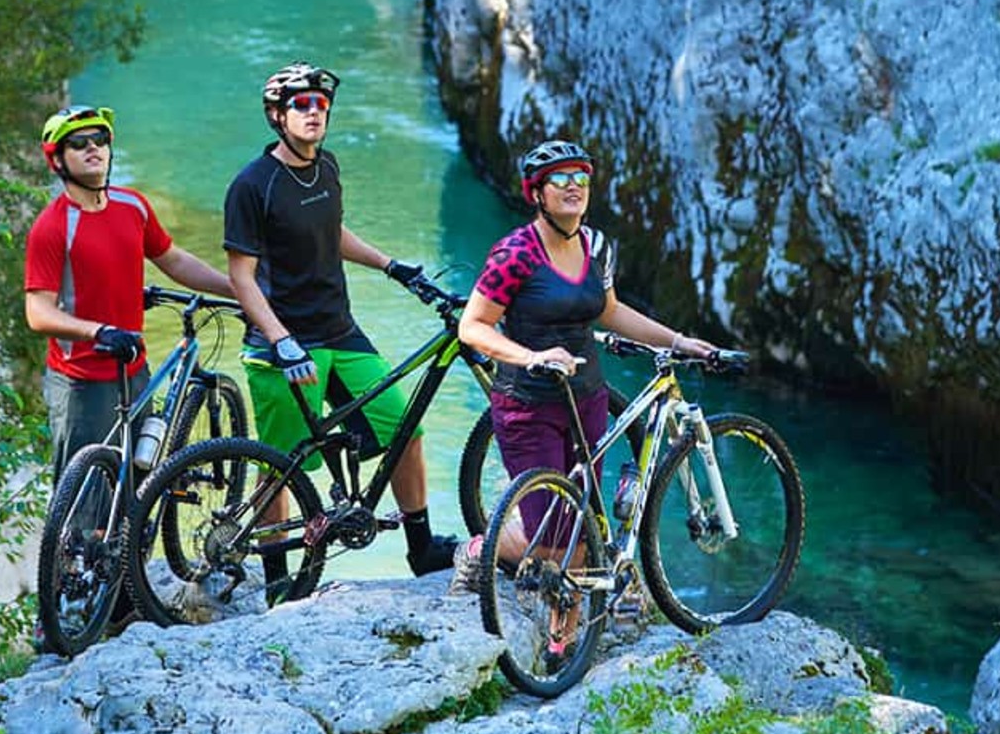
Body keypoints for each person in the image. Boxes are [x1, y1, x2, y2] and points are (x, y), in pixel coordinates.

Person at [223, 62, 458, 577]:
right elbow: (241, 277)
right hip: (281, 345)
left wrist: (391, 265)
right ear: (277, 116)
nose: (313, 113)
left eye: (320, 104)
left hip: (340, 330)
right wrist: (281, 341)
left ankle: (420, 549)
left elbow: (334, 232)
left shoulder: (326, 167)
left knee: (404, 428)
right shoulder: (252, 185)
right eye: (301, 105)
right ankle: (278, 581)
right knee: (282, 468)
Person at [457, 138, 719, 583]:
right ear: (537, 193)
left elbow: (609, 310)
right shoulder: (514, 253)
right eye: (559, 179)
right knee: (551, 543)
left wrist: (678, 340)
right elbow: (473, 327)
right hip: (528, 404)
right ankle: (480, 548)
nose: (573, 185)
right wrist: (533, 357)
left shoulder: (597, 246)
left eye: (581, 177)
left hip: (587, 401)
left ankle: (569, 642)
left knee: (581, 529)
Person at [23, 104, 233, 481]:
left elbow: (174, 260)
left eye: (100, 139)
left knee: (136, 483)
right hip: (82, 382)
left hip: (134, 369)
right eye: (78, 143)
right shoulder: (52, 226)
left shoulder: (132, 205)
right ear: (58, 160)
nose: (93, 148)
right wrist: (98, 331)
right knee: (86, 510)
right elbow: (38, 312)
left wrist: (238, 290)